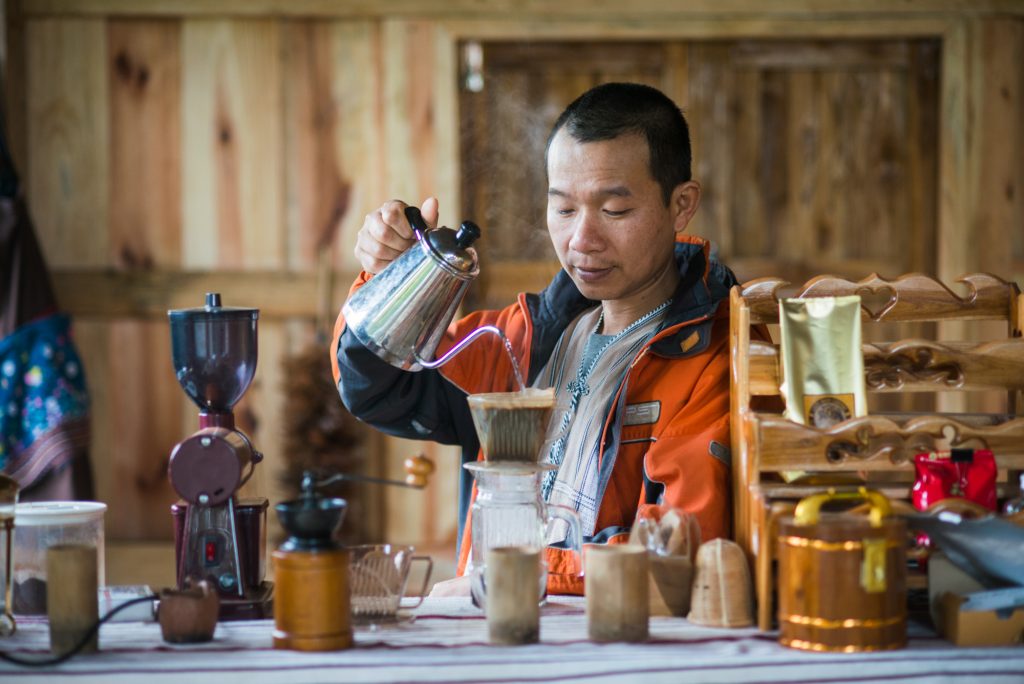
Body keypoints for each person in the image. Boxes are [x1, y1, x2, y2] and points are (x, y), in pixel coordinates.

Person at [332, 82, 745, 595]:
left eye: (614, 211)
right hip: (495, 641)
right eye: (564, 209)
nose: (581, 240)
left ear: (681, 205)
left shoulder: (714, 357)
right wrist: (386, 280)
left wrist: (509, 572)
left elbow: (675, 550)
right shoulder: (526, 339)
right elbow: (378, 389)